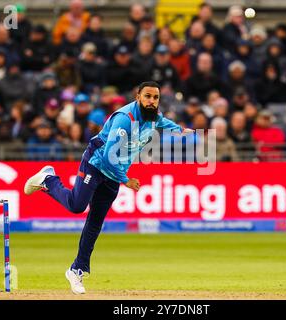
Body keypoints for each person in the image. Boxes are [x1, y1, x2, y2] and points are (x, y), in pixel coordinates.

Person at [23, 81, 194, 294]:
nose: (152, 101)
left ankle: (77, 269)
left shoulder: (153, 116)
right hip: (96, 165)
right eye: (148, 96)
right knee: (77, 206)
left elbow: (162, 121)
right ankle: (49, 179)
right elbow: (108, 158)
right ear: (137, 96)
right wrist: (126, 180)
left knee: (95, 222)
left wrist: (180, 130)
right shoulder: (125, 119)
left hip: (115, 172)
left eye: (155, 98)